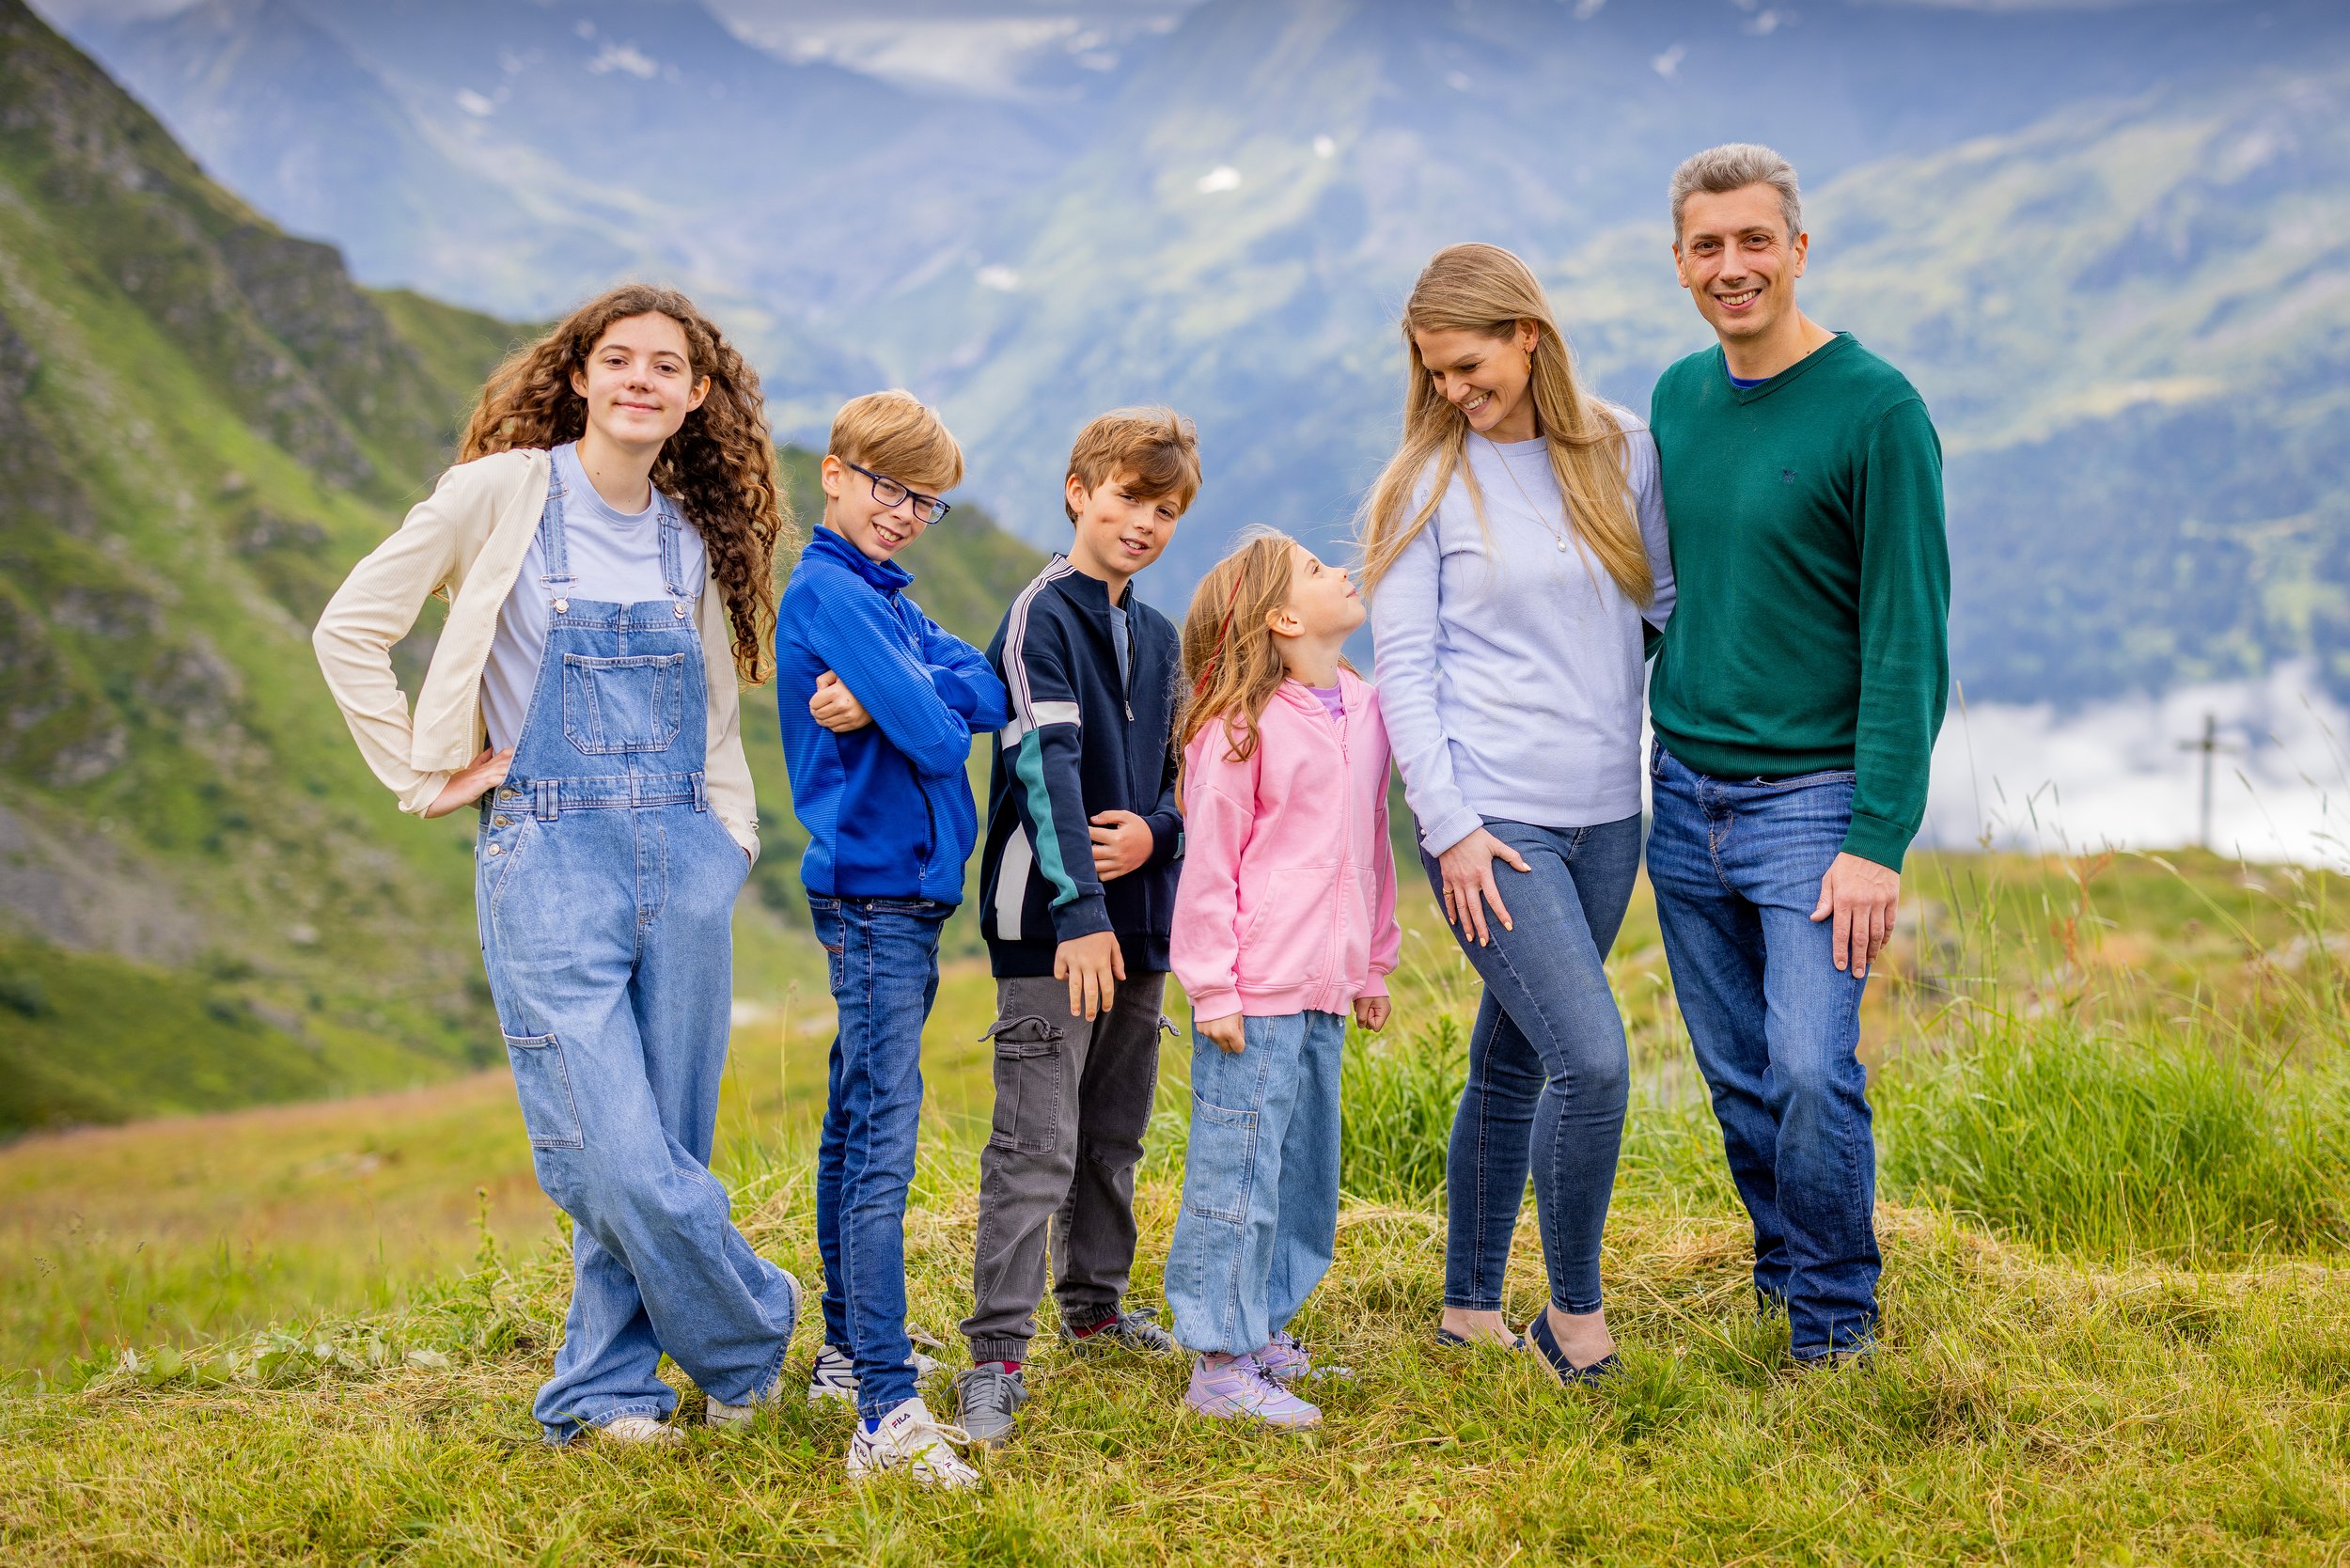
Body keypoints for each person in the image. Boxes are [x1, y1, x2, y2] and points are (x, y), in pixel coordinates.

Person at [312, 285, 799, 1445]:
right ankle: (753, 1329)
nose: (641, 380)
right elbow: (350, 626)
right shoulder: (499, 498)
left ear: (694, 396)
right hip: (548, 853)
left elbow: (719, 717)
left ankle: (608, 1391)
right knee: (611, 1145)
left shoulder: (691, 536)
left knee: (666, 1138)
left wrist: (728, 839)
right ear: (576, 378)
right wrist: (424, 774)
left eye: (666, 366)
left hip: (683, 854)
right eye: (617, 360)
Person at [1645, 144, 1950, 1367]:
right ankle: (1782, 1280)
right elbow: (1659, 595)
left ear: (1798, 247)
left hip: (1814, 807)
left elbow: (1909, 642)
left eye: (1755, 240)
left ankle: (1836, 1325)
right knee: (1736, 1078)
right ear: (1679, 262)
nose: (1734, 267)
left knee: (1813, 1069)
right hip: (1680, 795)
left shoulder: (1879, 413)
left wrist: (1877, 838)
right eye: (1708, 247)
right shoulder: (1675, 399)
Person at [1365, 243, 1674, 1388]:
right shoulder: (1423, 485)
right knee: (1589, 1064)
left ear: (1526, 336)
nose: (1452, 389)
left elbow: (1666, 607)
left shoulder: (1622, 447)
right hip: (1495, 825)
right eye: (1434, 372)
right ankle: (1573, 1319)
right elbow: (1404, 671)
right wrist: (1445, 828)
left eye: (1467, 364)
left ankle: (1465, 1311)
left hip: (1609, 818)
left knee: (1513, 1057)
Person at [954, 408, 1201, 1449]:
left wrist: (1156, 833)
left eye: (1165, 508)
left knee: (1114, 1135)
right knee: (1036, 1145)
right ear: (1077, 491)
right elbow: (1041, 767)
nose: (1142, 521)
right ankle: (995, 1359)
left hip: (1141, 924)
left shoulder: (1157, 633)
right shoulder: (1037, 619)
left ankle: (1093, 1312)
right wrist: (1081, 915)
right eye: (1126, 497)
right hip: (1055, 930)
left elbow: (1188, 778)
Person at [775, 390, 1008, 1486]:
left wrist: (888, 692)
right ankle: (885, 1407)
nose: (907, 512)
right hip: (873, 896)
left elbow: (989, 689)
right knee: (880, 1140)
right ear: (835, 473)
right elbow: (931, 731)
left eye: (928, 500)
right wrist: (904, 702)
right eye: (889, 487)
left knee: (851, 1120)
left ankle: (840, 1352)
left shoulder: (887, 603)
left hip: (898, 899)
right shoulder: (830, 589)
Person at [1165, 530, 1399, 1431]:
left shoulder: (1367, 709)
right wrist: (1211, 989)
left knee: (1302, 1172)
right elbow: (1209, 866)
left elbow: (1371, 844)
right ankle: (1219, 1363)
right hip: (1254, 989)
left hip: (1327, 983)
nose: (1340, 568)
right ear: (1285, 618)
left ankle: (1261, 1330)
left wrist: (1374, 959)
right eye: (1314, 568)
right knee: (1239, 1168)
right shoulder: (1236, 729)